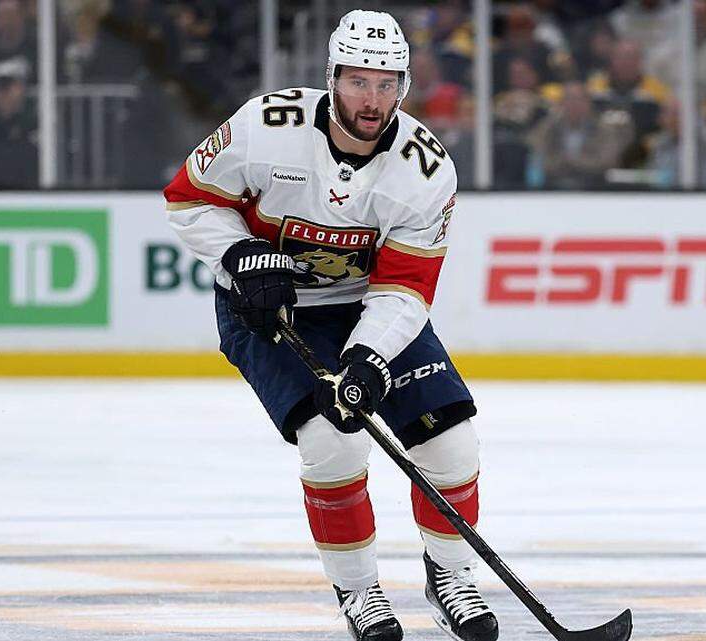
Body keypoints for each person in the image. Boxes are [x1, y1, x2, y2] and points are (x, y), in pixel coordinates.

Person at [163, 10, 497, 641]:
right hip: (268, 309)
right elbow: (188, 199)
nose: (372, 100)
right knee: (333, 444)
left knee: (451, 443)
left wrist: (369, 357)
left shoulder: (425, 170)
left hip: (366, 307)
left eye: (386, 83)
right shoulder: (265, 127)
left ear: (403, 86)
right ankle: (360, 590)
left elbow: (406, 285)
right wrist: (238, 257)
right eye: (357, 82)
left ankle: (450, 575)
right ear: (331, 79)